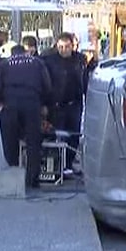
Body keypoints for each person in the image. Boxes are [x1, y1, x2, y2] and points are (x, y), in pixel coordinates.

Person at [0, 44, 52, 187]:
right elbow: (47, 85)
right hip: (32, 103)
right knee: (33, 142)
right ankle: (33, 180)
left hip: (10, 103)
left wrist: (0, 103)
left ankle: (13, 178)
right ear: (25, 52)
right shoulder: (37, 63)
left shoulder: (4, 64)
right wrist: (44, 103)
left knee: (10, 141)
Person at [41, 32, 86, 176]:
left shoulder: (79, 59)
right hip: (56, 105)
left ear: (72, 46)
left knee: (73, 135)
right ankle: (58, 165)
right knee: (58, 135)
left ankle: (69, 164)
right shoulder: (49, 60)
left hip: (74, 104)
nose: (63, 50)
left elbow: (84, 79)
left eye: (67, 47)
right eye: (60, 47)